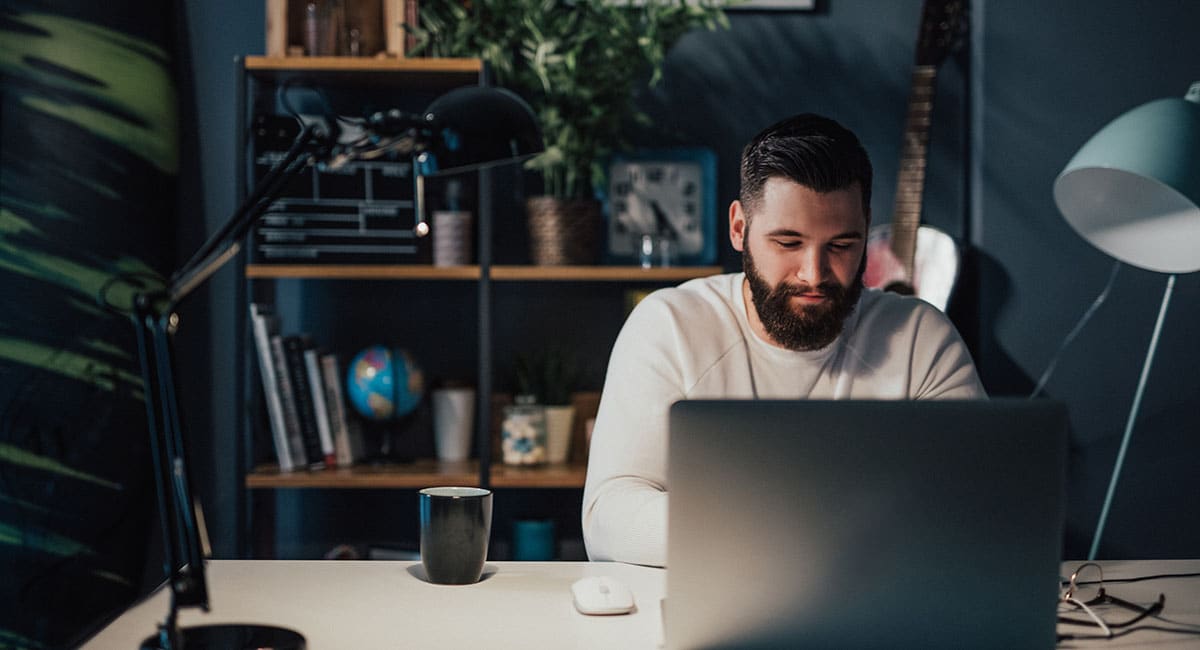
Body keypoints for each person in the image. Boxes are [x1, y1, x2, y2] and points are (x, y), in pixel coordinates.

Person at [580, 113, 985, 567]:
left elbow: (981, 506)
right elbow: (608, 518)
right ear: (739, 228)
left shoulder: (920, 339)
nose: (814, 274)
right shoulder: (669, 325)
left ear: (867, 229)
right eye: (788, 243)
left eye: (841, 245)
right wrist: (798, 528)